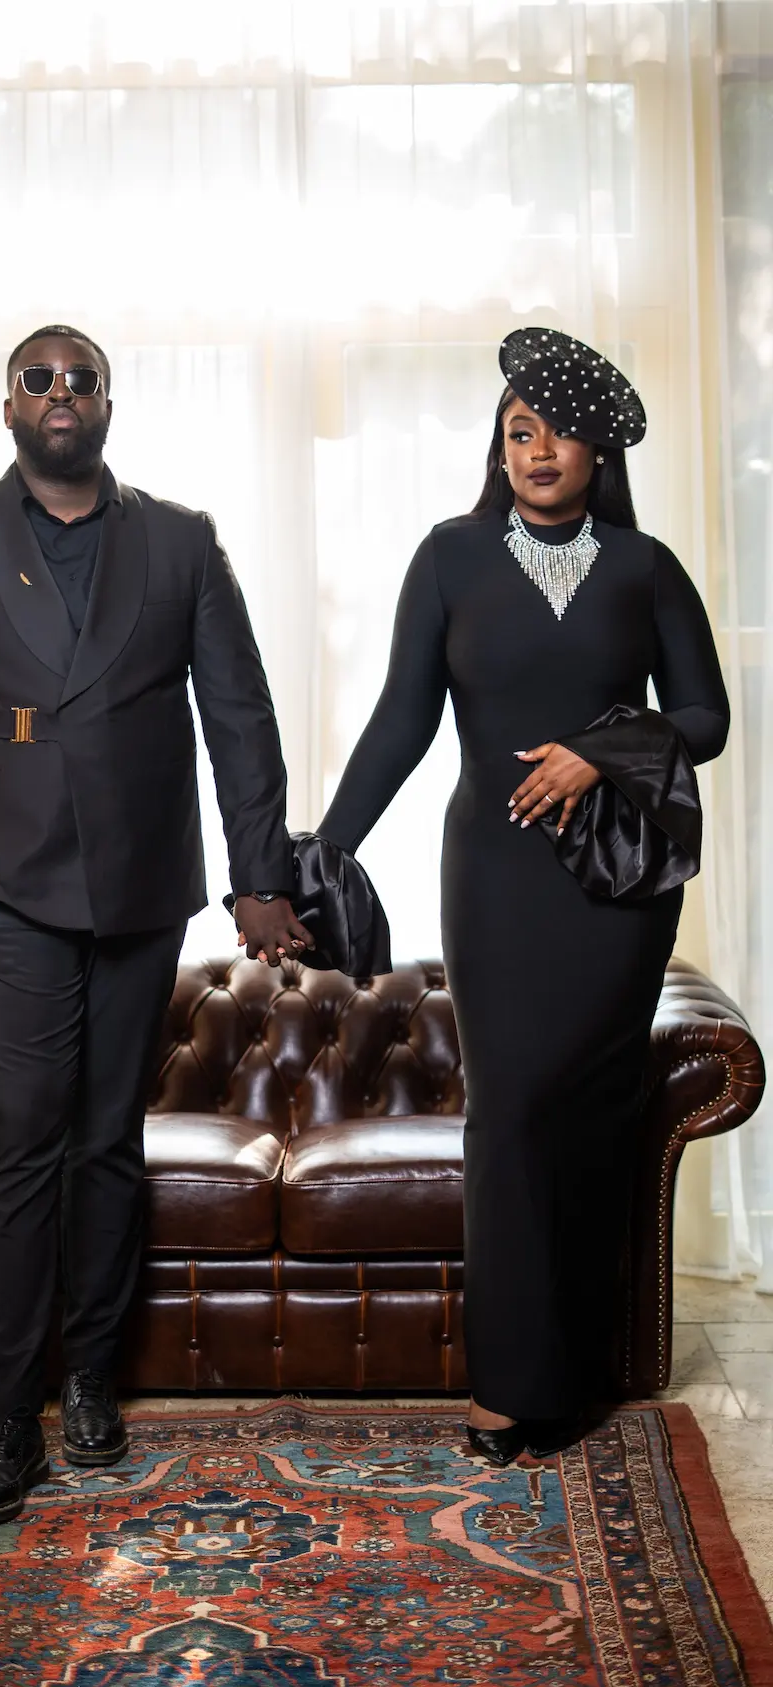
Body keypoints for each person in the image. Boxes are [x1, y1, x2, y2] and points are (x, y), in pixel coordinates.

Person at [0, 324, 313, 1523]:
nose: (60, 393)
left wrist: (258, 875)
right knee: (20, 1144)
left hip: (137, 885)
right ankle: (10, 1420)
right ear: (8, 408)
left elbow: (240, 714)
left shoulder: (180, 540)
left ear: (109, 403)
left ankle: (94, 1377)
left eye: (81, 379)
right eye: (38, 379)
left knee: (106, 1139)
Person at [317, 328, 729, 1464]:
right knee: (508, 1113)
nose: (538, 451)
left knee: (589, 1115)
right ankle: (508, 1385)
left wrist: (601, 750)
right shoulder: (448, 558)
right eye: (518, 431)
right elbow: (402, 721)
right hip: (495, 879)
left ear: (598, 453)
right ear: (497, 448)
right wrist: (325, 851)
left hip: (616, 886)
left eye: (559, 433)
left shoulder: (644, 567)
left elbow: (705, 716)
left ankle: (574, 1375)